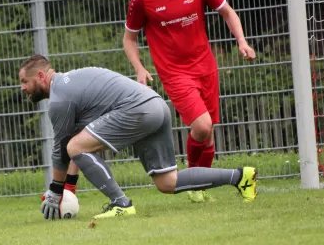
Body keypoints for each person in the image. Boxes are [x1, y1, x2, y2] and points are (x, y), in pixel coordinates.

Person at [18, 55, 257, 220]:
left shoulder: (60, 100)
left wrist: (55, 192)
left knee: (75, 146)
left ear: (40, 76)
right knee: (167, 183)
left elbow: (63, 150)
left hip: (138, 109)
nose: (22, 87)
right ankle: (240, 177)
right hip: (155, 105)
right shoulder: (70, 84)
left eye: (24, 81)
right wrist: (67, 187)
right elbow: (76, 145)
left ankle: (121, 204)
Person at [123, 0, 256, 203]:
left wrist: (241, 41)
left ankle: (200, 187)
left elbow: (228, 12)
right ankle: (193, 180)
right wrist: (139, 68)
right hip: (174, 72)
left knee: (208, 131)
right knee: (202, 126)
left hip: (206, 67)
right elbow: (129, 39)